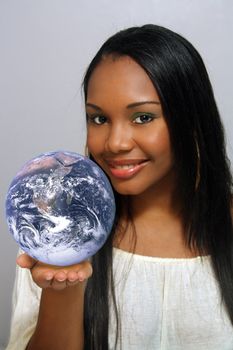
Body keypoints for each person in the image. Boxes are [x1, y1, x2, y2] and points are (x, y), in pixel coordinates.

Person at [6, 24, 233, 350]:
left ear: (192, 119)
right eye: (98, 119)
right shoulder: (55, 234)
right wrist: (64, 288)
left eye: (143, 117)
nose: (114, 143)